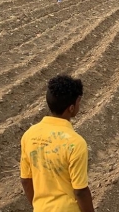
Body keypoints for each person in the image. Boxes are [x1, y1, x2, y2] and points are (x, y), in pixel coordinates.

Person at [20, 75, 94, 212]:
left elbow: (25, 180)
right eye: (79, 102)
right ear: (71, 108)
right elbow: (80, 191)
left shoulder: (29, 135)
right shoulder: (75, 143)